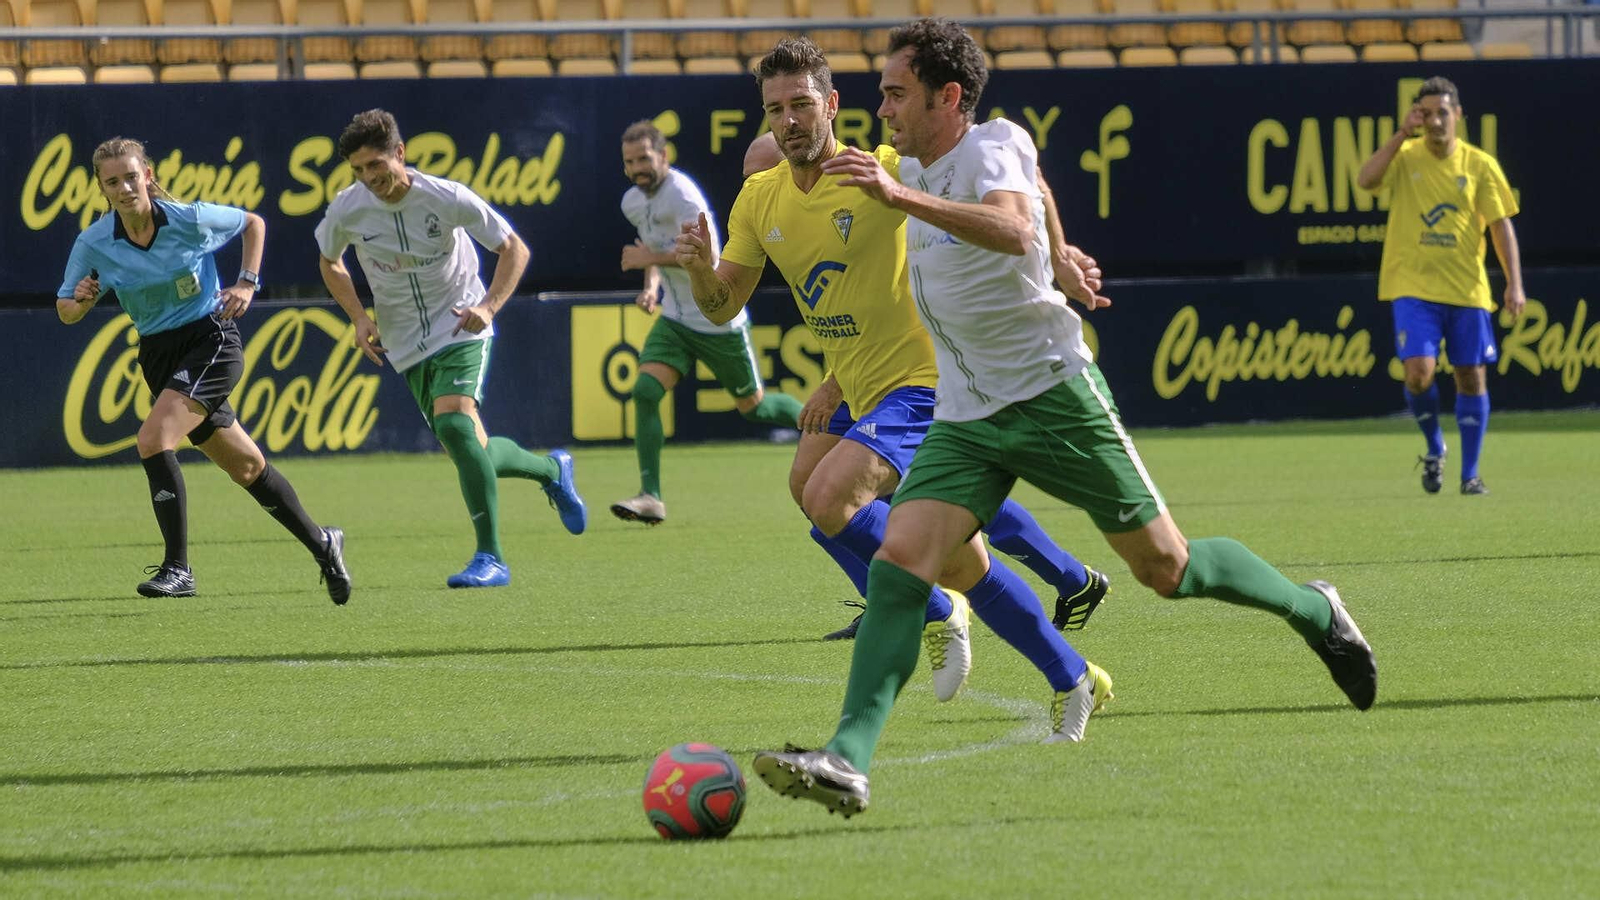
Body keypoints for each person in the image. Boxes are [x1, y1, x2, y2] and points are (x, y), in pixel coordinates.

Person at [749, 19, 1378, 818]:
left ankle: (1314, 607)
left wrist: (989, 225)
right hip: (966, 410)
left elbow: (1013, 220)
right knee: (902, 561)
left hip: (1051, 397)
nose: (881, 108)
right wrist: (1063, 246)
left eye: (895, 92)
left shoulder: (987, 146)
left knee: (1167, 569)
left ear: (948, 97)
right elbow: (1037, 211)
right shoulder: (910, 162)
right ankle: (847, 758)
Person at [677, 37, 1111, 734]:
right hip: (862, 384)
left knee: (829, 497)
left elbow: (1020, 177)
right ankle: (1070, 673)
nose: (787, 121)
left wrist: (1056, 254)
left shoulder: (885, 169)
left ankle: (936, 611)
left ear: (832, 105)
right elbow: (723, 306)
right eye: (774, 109)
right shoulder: (759, 199)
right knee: (921, 538)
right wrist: (699, 270)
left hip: (928, 379)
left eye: (801, 104)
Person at [55, 137, 351, 605]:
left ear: (147, 175)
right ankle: (323, 543)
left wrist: (247, 283)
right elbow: (66, 308)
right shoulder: (93, 242)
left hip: (211, 339)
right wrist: (83, 301)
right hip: (158, 355)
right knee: (247, 467)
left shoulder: (187, 218)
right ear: (102, 188)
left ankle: (178, 568)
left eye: (132, 176)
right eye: (113, 181)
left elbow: (254, 223)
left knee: (153, 440)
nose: (125, 187)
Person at [316, 109, 587, 588]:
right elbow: (330, 260)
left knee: (454, 425)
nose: (369, 178)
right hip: (403, 342)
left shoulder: (446, 196)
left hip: (460, 323)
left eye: (376, 164)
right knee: (470, 447)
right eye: (358, 170)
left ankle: (492, 558)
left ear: (400, 154)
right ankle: (550, 469)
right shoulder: (348, 208)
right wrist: (359, 318)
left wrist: (490, 306)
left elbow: (513, 248)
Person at [612, 120, 804, 526]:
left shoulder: (683, 196)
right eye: (630, 161)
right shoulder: (632, 201)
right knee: (645, 391)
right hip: (677, 319)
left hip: (717, 315)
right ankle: (651, 497)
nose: (637, 168)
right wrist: (652, 284)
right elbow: (656, 248)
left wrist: (650, 262)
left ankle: (829, 423)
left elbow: (710, 258)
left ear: (663, 156)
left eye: (644, 158)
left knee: (756, 408)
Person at [1356, 77, 1524, 496]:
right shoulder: (1406, 155)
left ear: (1458, 115)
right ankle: (1435, 446)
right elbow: (1366, 180)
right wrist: (1400, 132)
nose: (1434, 121)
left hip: (1466, 288)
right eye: (1425, 113)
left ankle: (1470, 474)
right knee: (1418, 374)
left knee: (1471, 376)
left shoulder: (1479, 164)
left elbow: (1502, 228)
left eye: (1441, 113)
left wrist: (1514, 284)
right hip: (1413, 286)